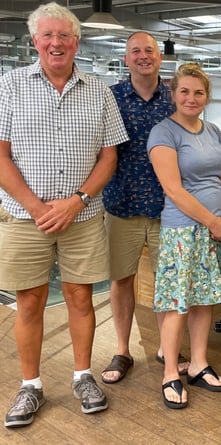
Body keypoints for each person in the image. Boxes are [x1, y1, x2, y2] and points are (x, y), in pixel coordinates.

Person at [0, 2, 128, 428]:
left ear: (77, 41)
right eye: (48, 35)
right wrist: (38, 208)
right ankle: (31, 386)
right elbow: (0, 156)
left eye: (65, 36)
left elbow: (109, 158)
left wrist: (75, 201)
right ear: (34, 40)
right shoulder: (11, 85)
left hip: (84, 216)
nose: (56, 43)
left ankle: (82, 376)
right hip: (25, 217)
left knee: (79, 297)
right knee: (30, 300)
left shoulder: (99, 90)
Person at [147, 62, 221, 409]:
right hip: (184, 230)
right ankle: (171, 371)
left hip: (217, 228)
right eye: (184, 91)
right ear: (173, 95)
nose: (191, 97)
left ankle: (199, 364)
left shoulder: (214, 131)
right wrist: (213, 222)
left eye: (198, 92)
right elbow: (173, 189)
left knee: (205, 300)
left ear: (207, 96)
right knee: (177, 304)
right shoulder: (163, 133)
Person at [100, 31, 190, 385]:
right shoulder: (111, 98)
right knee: (122, 280)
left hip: (169, 207)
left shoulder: (175, 97)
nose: (143, 56)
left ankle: (166, 349)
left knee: (167, 282)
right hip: (122, 205)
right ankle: (123, 349)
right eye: (135, 51)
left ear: (160, 57)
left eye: (149, 51)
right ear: (126, 59)